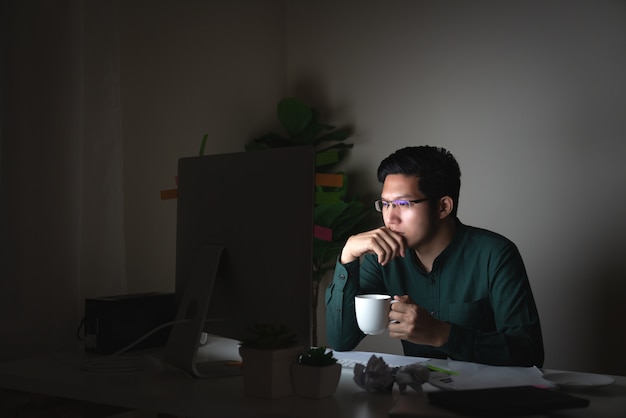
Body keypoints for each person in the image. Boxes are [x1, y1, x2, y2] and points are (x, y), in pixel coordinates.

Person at [325, 146, 544, 367]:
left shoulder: (495, 255)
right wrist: (348, 255)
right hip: (415, 393)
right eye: (385, 204)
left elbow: (529, 353)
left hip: (487, 396)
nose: (390, 218)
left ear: (443, 207)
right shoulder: (383, 258)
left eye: (403, 204)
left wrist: (443, 334)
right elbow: (342, 340)